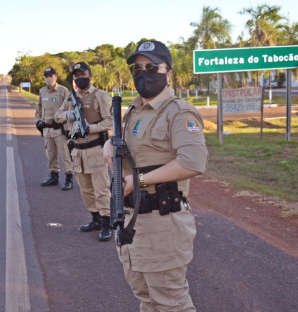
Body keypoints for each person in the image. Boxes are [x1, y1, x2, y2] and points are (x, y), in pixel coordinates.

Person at [103, 40, 208, 311]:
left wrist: (138, 181)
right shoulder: (133, 112)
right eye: (136, 68)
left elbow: (193, 162)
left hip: (162, 224)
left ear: (168, 72)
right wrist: (112, 145)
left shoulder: (179, 111)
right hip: (132, 221)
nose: (143, 73)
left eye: (151, 66)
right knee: (147, 299)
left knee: (171, 303)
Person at [55, 62, 113, 241]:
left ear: (90, 75)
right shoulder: (71, 97)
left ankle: (107, 223)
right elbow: (57, 115)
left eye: (83, 74)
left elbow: (110, 121)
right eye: (76, 75)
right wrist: (68, 115)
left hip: (95, 149)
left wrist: (90, 128)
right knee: (86, 190)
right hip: (77, 151)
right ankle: (95, 219)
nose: (80, 78)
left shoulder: (100, 96)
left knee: (101, 189)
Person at [35, 67, 74, 190]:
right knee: (50, 155)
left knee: (65, 154)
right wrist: (39, 121)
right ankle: (54, 177)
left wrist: (68, 128)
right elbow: (39, 108)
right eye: (46, 76)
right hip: (47, 130)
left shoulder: (63, 91)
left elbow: (70, 109)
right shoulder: (42, 91)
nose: (48, 78)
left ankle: (69, 178)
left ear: (55, 77)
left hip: (60, 129)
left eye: (50, 76)